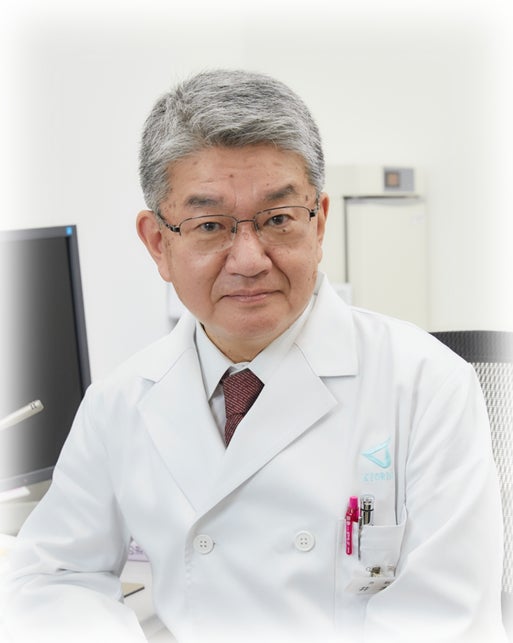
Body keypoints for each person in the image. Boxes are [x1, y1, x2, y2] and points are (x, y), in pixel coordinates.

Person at [2, 69, 506, 643]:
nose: (248, 260)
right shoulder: (119, 403)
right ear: (158, 243)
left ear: (319, 223)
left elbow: (445, 621)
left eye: (278, 219)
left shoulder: (427, 386)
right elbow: (51, 579)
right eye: (210, 225)